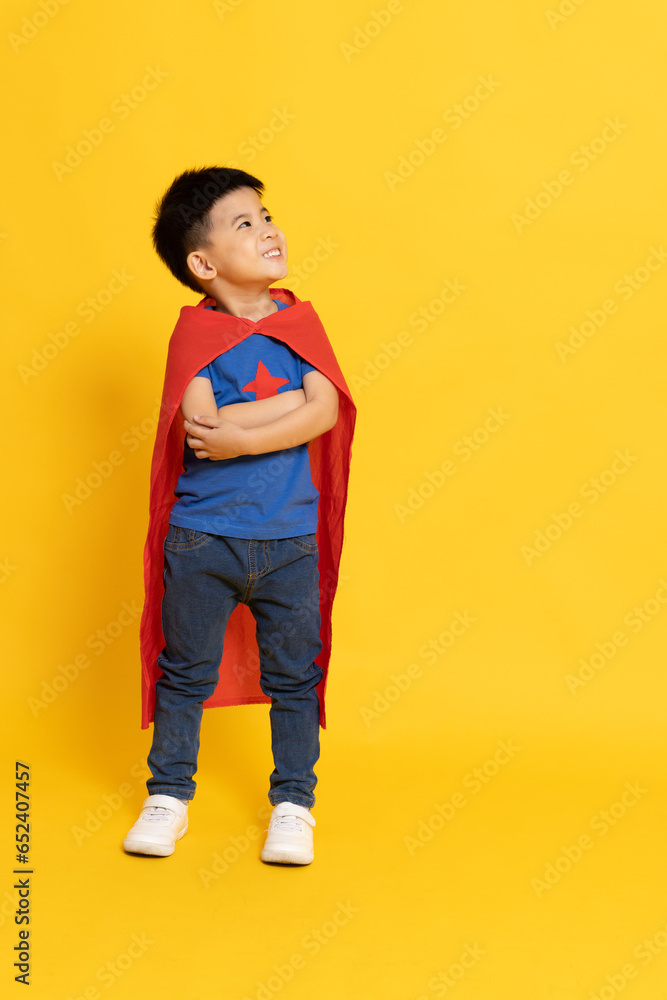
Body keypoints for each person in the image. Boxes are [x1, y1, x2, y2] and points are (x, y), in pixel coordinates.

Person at [123, 166, 355, 865]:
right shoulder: (194, 335)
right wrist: (279, 413)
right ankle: (168, 794)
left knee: (295, 677)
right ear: (203, 262)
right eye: (244, 224)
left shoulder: (299, 324)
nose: (268, 229)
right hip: (203, 541)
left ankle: (292, 804)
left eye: (266, 215)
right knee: (185, 671)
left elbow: (327, 407)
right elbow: (199, 430)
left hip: (290, 541)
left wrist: (244, 431)